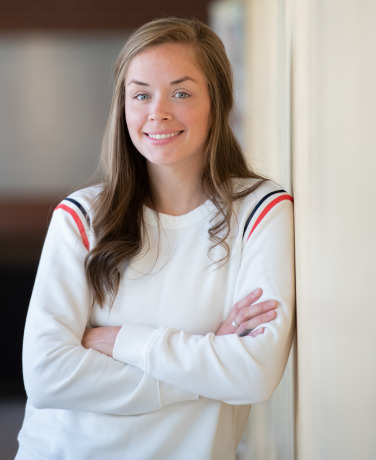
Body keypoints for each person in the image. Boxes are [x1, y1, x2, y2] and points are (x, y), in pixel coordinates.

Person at [15, 17, 294, 460]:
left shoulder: (259, 211)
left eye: (181, 93)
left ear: (218, 102)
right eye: (141, 94)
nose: (157, 112)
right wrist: (206, 364)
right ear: (123, 107)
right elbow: (47, 375)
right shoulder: (82, 215)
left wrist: (118, 340)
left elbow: (255, 374)